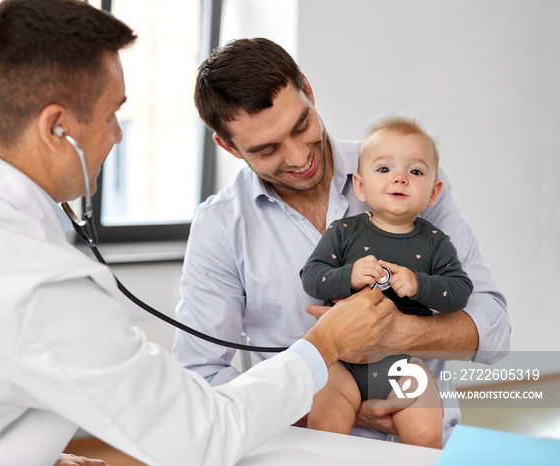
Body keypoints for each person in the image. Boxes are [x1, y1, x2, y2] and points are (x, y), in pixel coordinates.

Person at [0, 2, 396, 466]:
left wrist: (28, 454)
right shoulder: (42, 282)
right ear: (56, 129)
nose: (117, 136)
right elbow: (200, 435)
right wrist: (324, 345)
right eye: (114, 114)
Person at [173, 37, 510, 443]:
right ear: (228, 146)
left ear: (308, 91)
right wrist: (347, 411)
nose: (298, 158)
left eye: (301, 126)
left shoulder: (404, 178)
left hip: (422, 441)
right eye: (267, 150)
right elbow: (200, 377)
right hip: (306, 446)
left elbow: (493, 330)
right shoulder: (220, 227)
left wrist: (398, 333)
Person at [300, 116, 475, 448]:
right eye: (384, 170)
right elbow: (311, 277)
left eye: (416, 172)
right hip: (341, 365)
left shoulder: (437, 242)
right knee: (325, 424)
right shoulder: (343, 232)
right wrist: (346, 277)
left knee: (426, 427)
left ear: (434, 192)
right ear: (360, 187)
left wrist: (421, 284)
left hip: (403, 365)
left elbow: (460, 291)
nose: (400, 178)